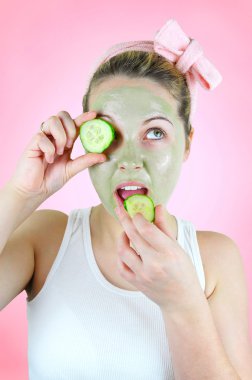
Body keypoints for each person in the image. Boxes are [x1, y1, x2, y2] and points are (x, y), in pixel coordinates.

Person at [0, 18, 251, 380]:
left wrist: (182, 303)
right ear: (85, 138)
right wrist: (21, 194)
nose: (130, 159)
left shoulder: (215, 259)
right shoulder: (46, 240)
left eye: (154, 131)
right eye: (109, 132)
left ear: (187, 145)